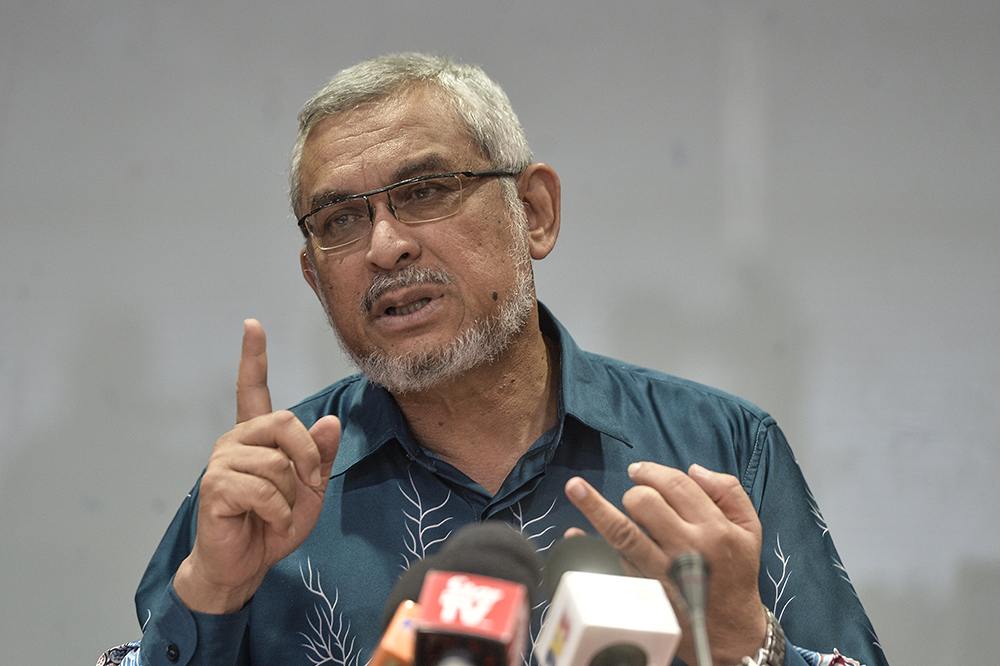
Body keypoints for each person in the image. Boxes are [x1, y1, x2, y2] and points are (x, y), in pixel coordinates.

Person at [107, 53, 887, 666]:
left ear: (535, 213)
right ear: (316, 279)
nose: (386, 245)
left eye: (426, 190)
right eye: (341, 219)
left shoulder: (717, 452)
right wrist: (213, 591)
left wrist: (749, 643)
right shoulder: (266, 495)